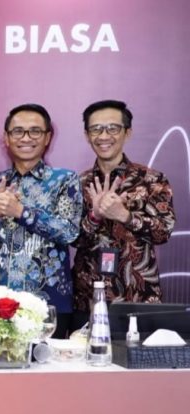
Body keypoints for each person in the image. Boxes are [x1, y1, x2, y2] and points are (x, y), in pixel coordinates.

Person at [0, 104, 82, 336]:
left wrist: (21, 212)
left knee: (46, 360)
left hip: (47, 303)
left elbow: (69, 232)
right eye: (18, 131)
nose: (26, 138)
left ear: (47, 137)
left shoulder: (64, 180)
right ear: (6, 138)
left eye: (35, 131)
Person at [72, 100, 175, 323]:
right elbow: (72, 238)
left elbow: (163, 232)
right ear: (87, 135)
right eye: (96, 129)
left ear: (127, 133)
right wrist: (94, 217)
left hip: (138, 295)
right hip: (87, 297)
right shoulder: (78, 183)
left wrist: (125, 216)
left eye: (112, 128)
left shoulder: (151, 179)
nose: (104, 136)